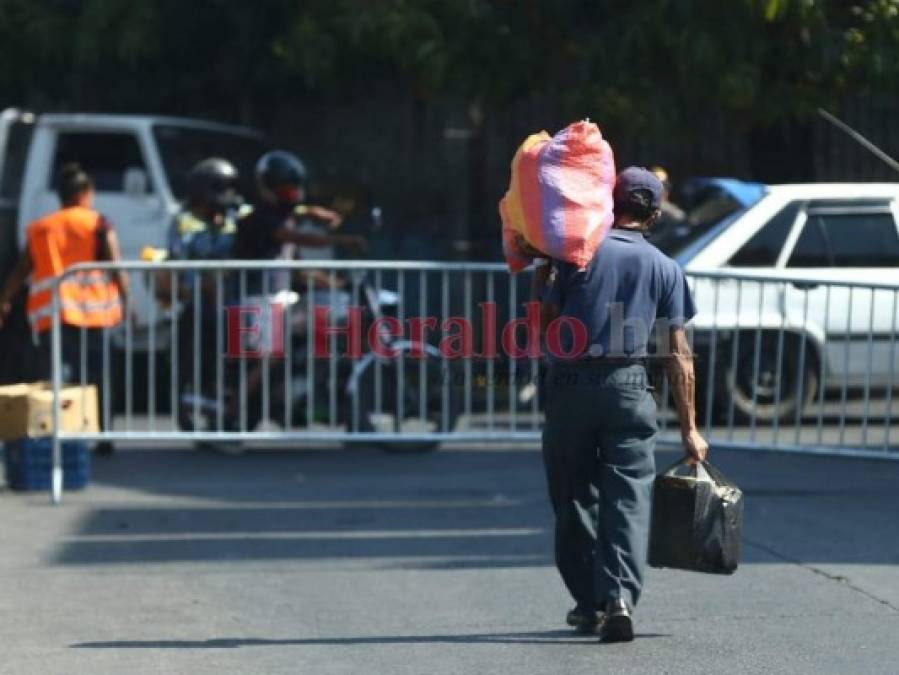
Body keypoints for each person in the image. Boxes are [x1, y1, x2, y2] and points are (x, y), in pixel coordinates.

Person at [539, 166, 709, 642]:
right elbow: (679, 353)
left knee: (574, 496)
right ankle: (618, 599)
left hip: (572, 386)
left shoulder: (577, 254)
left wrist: (542, 280)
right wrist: (690, 428)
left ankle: (587, 602)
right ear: (654, 213)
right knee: (628, 499)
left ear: (610, 204)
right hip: (631, 389)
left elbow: (547, 322)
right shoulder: (665, 268)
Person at [0, 163, 129, 455]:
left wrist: (4, 301)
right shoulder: (98, 224)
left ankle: (53, 433)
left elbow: (22, 270)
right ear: (85, 193)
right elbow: (117, 266)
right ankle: (104, 433)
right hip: (96, 315)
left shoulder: (42, 228)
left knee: (53, 378)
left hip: (54, 315)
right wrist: (127, 302)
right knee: (99, 377)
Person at [166, 158, 241, 428]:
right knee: (191, 357)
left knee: (224, 361)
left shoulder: (234, 215)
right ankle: (184, 407)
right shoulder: (185, 221)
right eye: (221, 188)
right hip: (197, 300)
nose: (227, 195)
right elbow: (183, 255)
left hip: (230, 302)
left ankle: (219, 414)